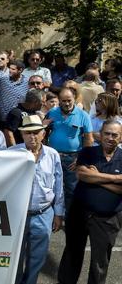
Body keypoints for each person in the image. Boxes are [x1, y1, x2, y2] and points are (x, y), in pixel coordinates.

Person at [58, 120, 122, 284]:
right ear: (100, 135)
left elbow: (92, 178)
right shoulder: (88, 152)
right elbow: (82, 175)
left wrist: (96, 177)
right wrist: (116, 178)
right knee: (72, 255)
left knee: (100, 261)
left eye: (115, 135)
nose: (110, 137)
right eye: (107, 133)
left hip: (108, 219)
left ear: (120, 137)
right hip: (79, 214)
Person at [10, 115, 64, 284]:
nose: (32, 136)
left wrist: (58, 214)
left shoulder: (53, 155)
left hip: (43, 213)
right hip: (17, 215)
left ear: (43, 134)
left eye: (36, 132)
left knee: (37, 259)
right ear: (22, 135)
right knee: (15, 258)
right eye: (28, 133)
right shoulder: (11, 154)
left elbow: (59, 186)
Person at [46, 87, 94, 213]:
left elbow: (89, 139)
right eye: (63, 101)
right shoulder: (52, 113)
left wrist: (81, 159)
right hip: (53, 156)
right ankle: (53, 216)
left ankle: (70, 218)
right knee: (51, 188)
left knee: (71, 189)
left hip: (73, 158)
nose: (67, 103)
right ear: (59, 101)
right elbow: (43, 133)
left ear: (74, 99)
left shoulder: (83, 115)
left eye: (69, 100)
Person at [0, 60, 30, 125]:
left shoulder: (27, 81)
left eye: (13, 69)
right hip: (3, 118)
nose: (10, 70)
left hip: (20, 118)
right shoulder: (2, 80)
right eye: (10, 68)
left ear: (20, 70)